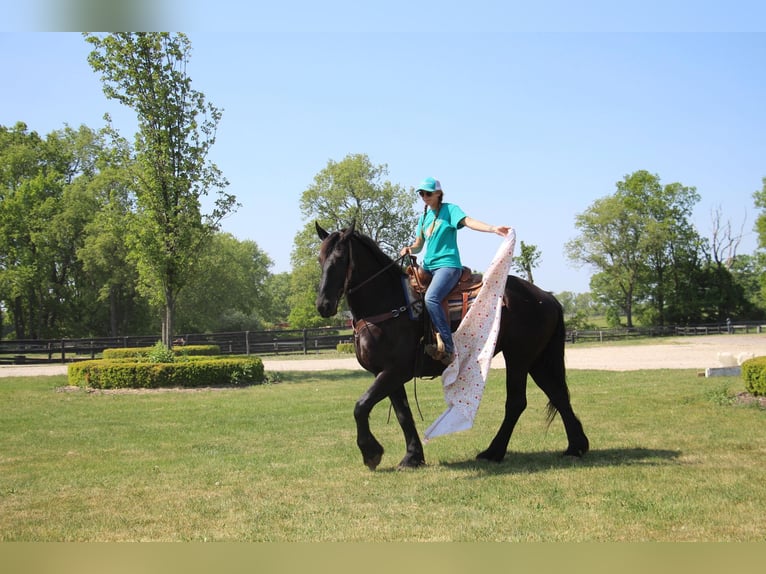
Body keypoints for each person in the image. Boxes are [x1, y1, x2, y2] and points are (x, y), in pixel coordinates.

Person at [399, 177, 510, 365]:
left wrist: (492, 228)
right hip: (427, 266)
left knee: (431, 298)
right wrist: (410, 248)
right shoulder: (423, 218)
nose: (424, 197)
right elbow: (419, 245)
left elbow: (469, 221)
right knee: (406, 293)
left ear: (438, 194)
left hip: (448, 266)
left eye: (428, 193)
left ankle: (449, 346)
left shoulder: (450, 210)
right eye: (421, 193)